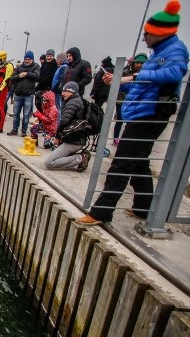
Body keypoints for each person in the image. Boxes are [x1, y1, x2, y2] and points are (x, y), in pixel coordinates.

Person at [77, 0, 188, 226]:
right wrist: (117, 81)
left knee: (121, 163)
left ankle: (101, 212)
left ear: (159, 33)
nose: (144, 38)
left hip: (151, 114)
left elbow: (175, 73)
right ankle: (143, 209)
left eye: (147, 34)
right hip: (141, 113)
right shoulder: (158, 53)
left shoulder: (174, 51)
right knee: (138, 162)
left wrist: (132, 77)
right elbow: (142, 86)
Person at [44, 81, 91, 172]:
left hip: (74, 141)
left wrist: (57, 137)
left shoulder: (72, 103)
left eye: (65, 91)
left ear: (71, 91)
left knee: (49, 163)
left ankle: (81, 157)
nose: (62, 94)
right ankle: (78, 156)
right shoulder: (76, 100)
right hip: (75, 138)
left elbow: (64, 121)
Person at [112, 53, 147, 146]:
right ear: (133, 63)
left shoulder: (145, 74)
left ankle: (125, 139)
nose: (139, 65)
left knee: (130, 121)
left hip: (135, 101)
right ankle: (115, 138)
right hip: (121, 99)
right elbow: (119, 85)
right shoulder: (125, 72)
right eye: (137, 63)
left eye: (142, 63)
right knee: (120, 120)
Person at [7, 50, 41, 137]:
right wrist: (19, 76)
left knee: (26, 115)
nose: (27, 60)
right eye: (26, 59)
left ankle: (24, 131)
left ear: (32, 59)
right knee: (16, 114)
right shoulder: (19, 67)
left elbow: (37, 76)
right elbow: (12, 78)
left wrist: (26, 74)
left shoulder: (36, 67)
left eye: (29, 59)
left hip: (28, 95)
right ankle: (15, 129)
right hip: (18, 94)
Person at [51, 52, 69, 116]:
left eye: (58, 59)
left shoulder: (63, 67)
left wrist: (54, 89)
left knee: (58, 108)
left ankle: (58, 124)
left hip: (58, 91)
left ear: (62, 59)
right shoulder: (61, 67)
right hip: (56, 91)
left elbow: (61, 80)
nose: (56, 61)